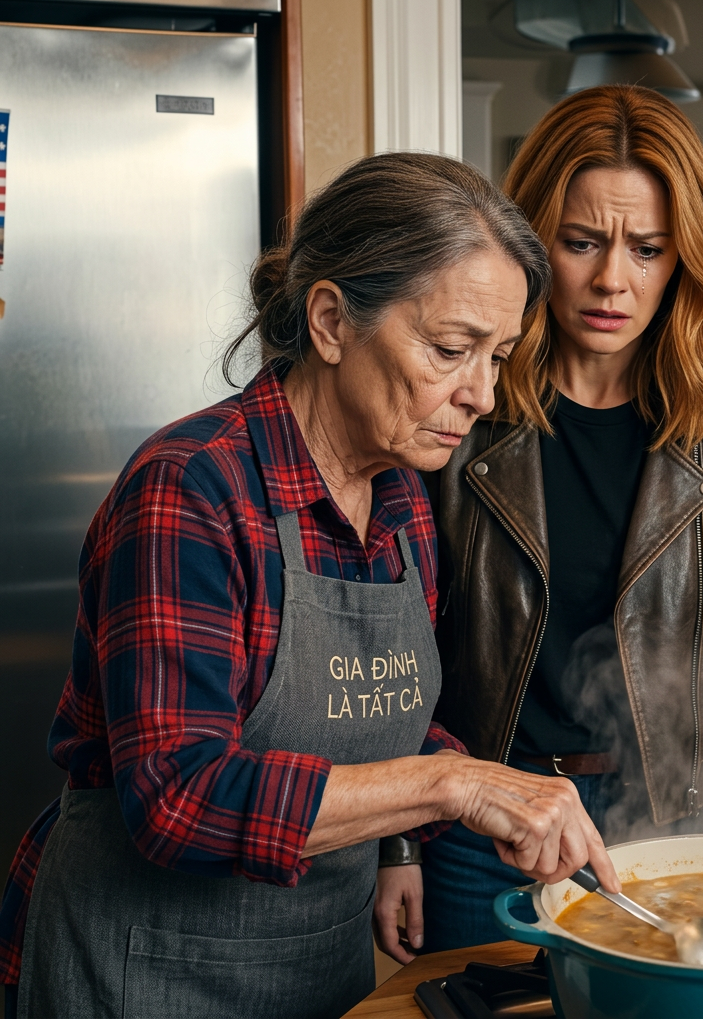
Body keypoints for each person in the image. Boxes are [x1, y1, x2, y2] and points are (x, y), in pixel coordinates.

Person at [0, 152, 620, 1019]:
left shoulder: (401, 494)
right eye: (451, 350)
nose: (481, 393)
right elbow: (177, 798)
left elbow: (380, 714)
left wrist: (437, 823)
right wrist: (457, 785)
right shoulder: (193, 489)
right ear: (330, 322)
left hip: (316, 967)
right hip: (144, 967)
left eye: (500, 355)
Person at [373, 86, 703, 956]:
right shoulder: (459, 409)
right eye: (581, 243)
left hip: (679, 830)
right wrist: (396, 841)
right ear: (532, 244)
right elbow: (402, 642)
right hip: (481, 835)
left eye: (647, 249)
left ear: (682, 257)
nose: (614, 279)